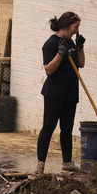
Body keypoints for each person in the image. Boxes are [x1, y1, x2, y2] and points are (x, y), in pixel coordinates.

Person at [36, 11, 86, 174]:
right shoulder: (51, 44)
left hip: (70, 92)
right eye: (75, 27)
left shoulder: (70, 42)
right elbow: (49, 70)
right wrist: (60, 53)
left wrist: (79, 48)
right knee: (49, 127)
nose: (77, 30)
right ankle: (40, 165)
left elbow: (81, 64)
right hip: (54, 93)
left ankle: (67, 163)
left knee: (67, 128)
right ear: (66, 26)